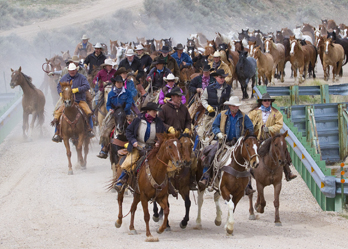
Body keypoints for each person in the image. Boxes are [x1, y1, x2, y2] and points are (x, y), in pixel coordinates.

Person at [198, 96, 254, 188]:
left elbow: (250, 128)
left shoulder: (244, 116)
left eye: (236, 106)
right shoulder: (222, 115)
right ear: (230, 106)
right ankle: (206, 177)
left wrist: (244, 136)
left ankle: (248, 184)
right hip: (223, 142)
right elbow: (215, 126)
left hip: (238, 143)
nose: (235, 108)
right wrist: (218, 133)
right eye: (233, 106)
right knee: (211, 154)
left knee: (248, 158)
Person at [114, 102, 167, 192]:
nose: (155, 113)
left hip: (153, 148)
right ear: (148, 111)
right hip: (138, 146)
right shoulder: (138, 120)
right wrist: (133, 141)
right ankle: (121, 181)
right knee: (129, 162)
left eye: (156, 111)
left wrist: (159, 141)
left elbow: (164, 134)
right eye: (154, 111)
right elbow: (129, 131)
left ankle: (167, 183)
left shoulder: (158, 122)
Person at [248, 93, 297, 181]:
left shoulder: (276, 113)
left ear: (271, 102)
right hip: (257, 137)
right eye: (265, 100)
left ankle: (288, 172)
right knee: (249, 152)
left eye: (268, 100)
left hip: (271, 138)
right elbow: (248, 122)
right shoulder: (254, 112)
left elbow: (279, 124)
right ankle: (247, 175)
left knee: (282, 149)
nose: (267, 102)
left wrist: (270, 129)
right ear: (261, 102)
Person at [158, 86, 195, 190]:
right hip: (169, 136)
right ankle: (165, 177)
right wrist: (168, 128)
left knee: (192, 152)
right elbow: (160, 122)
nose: (180, 98)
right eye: (178, 97)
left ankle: (191, 177)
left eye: (180, 97)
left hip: (182, 135)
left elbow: (188, 120)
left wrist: (187, 128)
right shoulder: (164, 108)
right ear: (173, 97)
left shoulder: (183, 108)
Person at [51, 63, 95, 142]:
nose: (72, 72)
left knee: (88, 112)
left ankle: (89, 130)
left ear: (76, 70)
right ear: (68, 70)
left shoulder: (82, 77)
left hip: (80, 99)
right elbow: (58, 86)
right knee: (57, 113)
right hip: (67, 101)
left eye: (73, 70)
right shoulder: (64, 77)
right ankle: (57, 133)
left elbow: (87, 86)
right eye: (70, 71)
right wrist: (61, 93)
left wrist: (77, 89)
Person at [97, 75, 134, 159]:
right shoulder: (111, 94)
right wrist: (110, 109)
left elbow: (129, 103)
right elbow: (108, 104)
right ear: (115, 83)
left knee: (136, 127)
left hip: (126, 114)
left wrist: (123, 110)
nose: (119, 84)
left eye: (121, 82)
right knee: (105, 128)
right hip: (114, 115)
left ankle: (138, 144)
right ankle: (104, 148)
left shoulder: (127, 93)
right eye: (118, 82)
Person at [196, 69, 233, 141]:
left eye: (223, 78)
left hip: (224, 114)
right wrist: (207, 106)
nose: (222, 79)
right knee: (201, 132)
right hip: (210, 114)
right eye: (220, 77)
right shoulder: (209, 88)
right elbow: (203, 99)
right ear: (216, 77)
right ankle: (198, 148)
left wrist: (229, 106)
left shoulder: (229, 89)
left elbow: (233, 99)